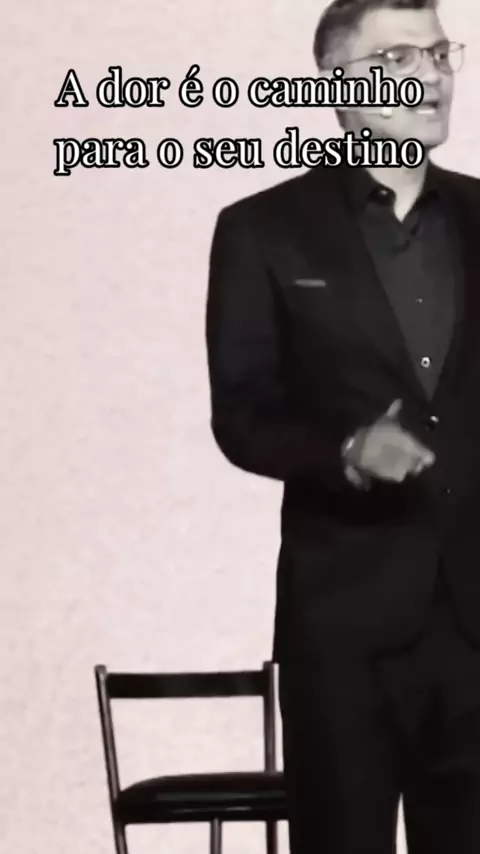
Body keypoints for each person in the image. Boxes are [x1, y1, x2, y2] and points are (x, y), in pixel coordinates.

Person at [205, 0, 480, 850]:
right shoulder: (262, 230)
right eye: (400, 59)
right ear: (340, 85)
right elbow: (242, 414)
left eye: (440, 53)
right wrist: (346, 450)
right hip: (343, 626)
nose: (431, 76)